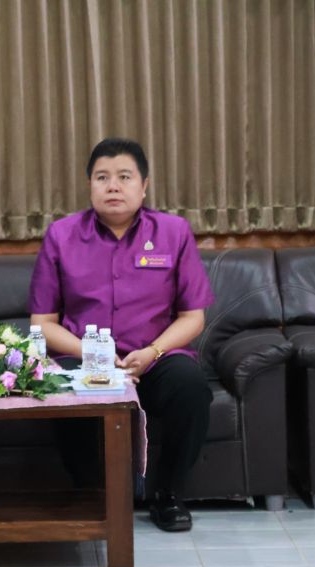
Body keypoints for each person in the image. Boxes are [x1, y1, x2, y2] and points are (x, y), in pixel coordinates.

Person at [29, 138, 214, 532]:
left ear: (144, 186)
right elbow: (42, 322)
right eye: (102, 178)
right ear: (90, 186)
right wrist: (92, 352)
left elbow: (193, 317)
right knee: (62, 388)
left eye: (124, 177)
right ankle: (91, 493)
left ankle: (168, 495)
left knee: (191, 388)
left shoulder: (174, 232)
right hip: (84, 356)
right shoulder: (61, 235)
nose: (113, 186)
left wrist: (153, 351)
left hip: (155, 358)